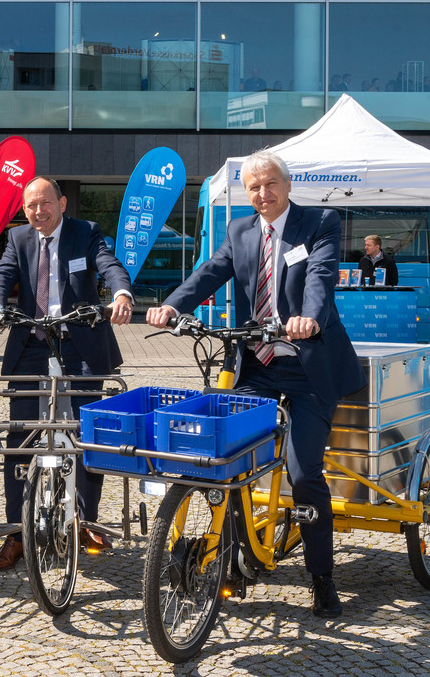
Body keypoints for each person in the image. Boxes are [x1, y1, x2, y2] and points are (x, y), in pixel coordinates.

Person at [146, 150, 365, 618]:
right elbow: (210, 271)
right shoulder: (240, 230)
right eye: (253, 188)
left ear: (286, 185)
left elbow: (320, 278)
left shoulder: (319, 222)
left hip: (309, 368)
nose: (262, 195)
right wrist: (173, 305)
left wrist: (308, 318)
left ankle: (322, 577)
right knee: (225, 456)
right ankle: (232, 553)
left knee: (304, 473)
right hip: (258, 366)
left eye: (270, 185)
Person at [0, 176, 133, 571]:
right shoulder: (19, 239)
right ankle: (17, 531)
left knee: (84, 434)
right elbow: (3, 275)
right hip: (31, 344)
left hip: (80, 343)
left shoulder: (86, 232)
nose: (38, 212)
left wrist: (120, 294)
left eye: (45, 203)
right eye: (31, 206)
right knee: (20, 436)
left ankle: (83, 521)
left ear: (62, 203)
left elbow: (109, 265)